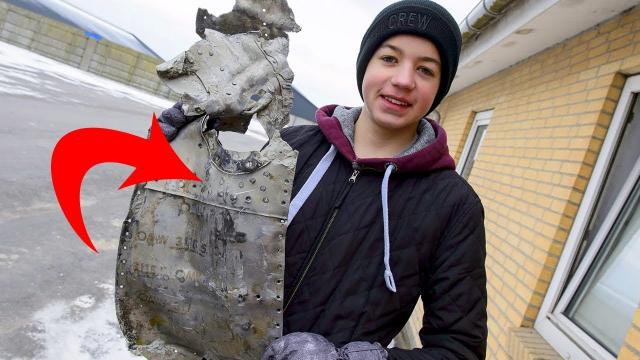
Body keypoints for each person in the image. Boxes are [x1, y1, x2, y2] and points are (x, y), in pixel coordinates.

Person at [158, 1, 487, 359]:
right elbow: (211, 234)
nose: (404, 80)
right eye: (390, 59)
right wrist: (177, 155)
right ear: (366, 64)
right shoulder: (292, 147)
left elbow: (460, 349)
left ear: (439, 86)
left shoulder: (453, 205)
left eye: (425, 69)